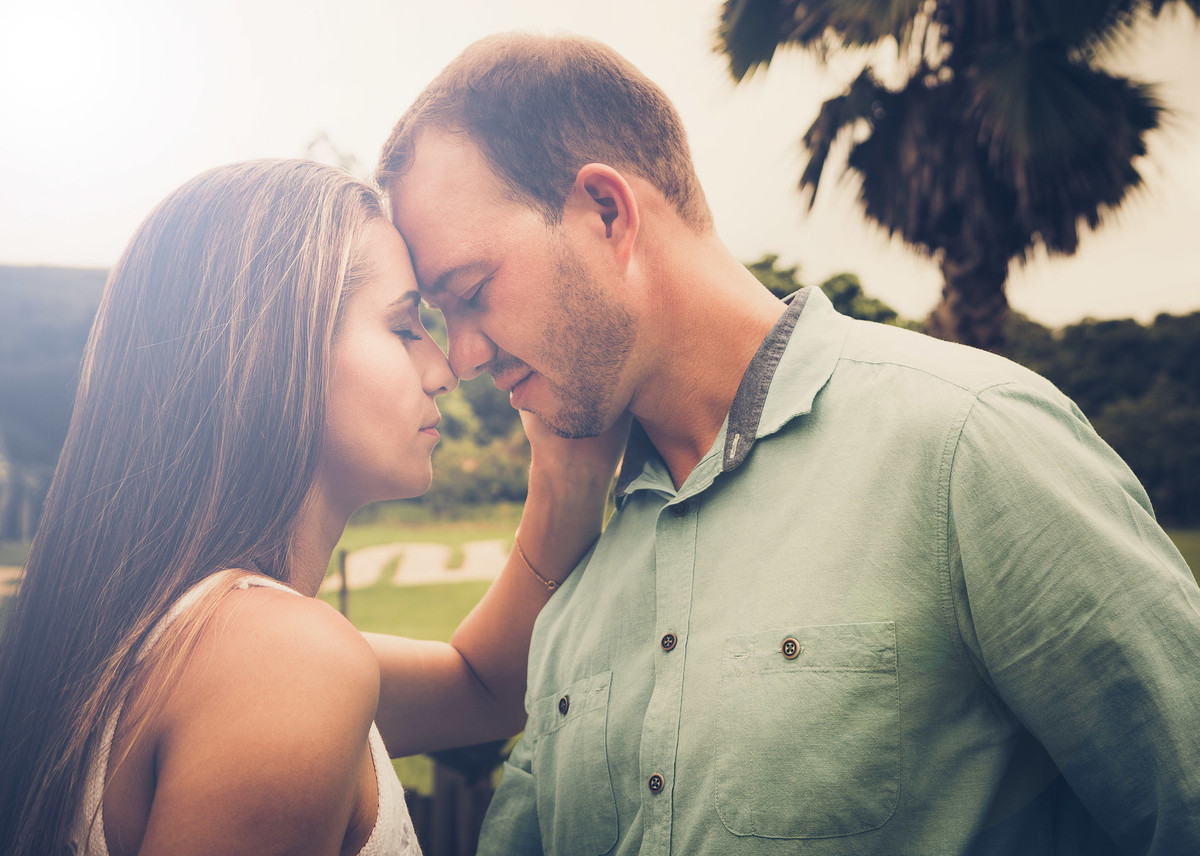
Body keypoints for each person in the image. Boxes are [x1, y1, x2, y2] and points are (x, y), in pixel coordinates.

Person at [375, 32, 1200, 856]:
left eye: (472, 293)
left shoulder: (967, 444)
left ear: (607, 213)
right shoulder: (574, 592)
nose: (464, 357)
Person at [0, 159, 623, 856]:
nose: (444, 372)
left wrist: (570, 469)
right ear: (279, 349)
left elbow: (487, 689)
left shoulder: (178, 639)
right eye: (403, 326)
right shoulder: (277, 664)